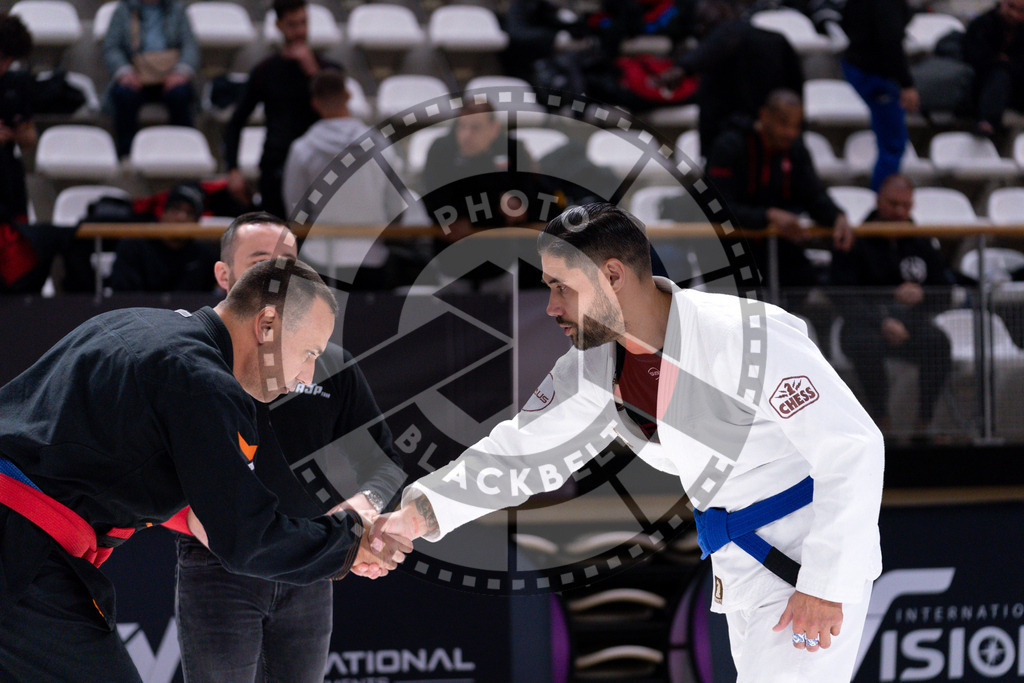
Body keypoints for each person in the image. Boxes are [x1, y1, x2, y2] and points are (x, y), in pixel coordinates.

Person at [371, 203, 884, 681]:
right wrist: (417, 515)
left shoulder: (744, 335)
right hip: (745, 566)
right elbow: (518, 456)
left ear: (612, 276)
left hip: (806, 557)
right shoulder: (594, 368)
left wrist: (825, 582)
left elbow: (852, 448)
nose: (550, 306)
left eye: (560, 287)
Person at [0, 256, 410, 680]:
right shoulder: (202, 381)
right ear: (267, 324)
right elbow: (247, 538)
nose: (303, 377)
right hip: (19, 550)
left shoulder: (135, 325)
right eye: (307, 353)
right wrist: (349, 541)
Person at [172, 212, 407, 682]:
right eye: (262, 261)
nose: (279, 275)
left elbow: (385, 464)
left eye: (289, 262)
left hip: (309, 566)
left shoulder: (330, 363)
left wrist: (359, 510)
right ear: (224, 275)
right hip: (218, 564)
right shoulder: (193, 355)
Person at [830, 174, 954, 434]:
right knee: (865, 343)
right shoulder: (856, 238)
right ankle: (880, 420)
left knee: (939, 343)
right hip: (863, 325)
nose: (899, 212)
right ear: (878, 200)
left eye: (905, 206)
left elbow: (946, 293)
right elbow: (841, 294)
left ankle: (924, 422)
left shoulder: (920, 242)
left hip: (910, 324)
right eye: (892, 204)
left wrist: (924, 294)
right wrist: (882, 321)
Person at [705, 89, 854, 288]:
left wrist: (837, 216)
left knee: (806, 278)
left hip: (775, 246)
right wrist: (768, 215)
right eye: (783, 123)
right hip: (727, 246)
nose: (790, 133)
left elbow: (813, 193)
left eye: (796, 126)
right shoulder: (729, 146)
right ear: (764, 115)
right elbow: (716, 207)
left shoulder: (796, 149)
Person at [282, 69, 403, 286]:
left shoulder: (303, 149)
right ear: (348, 96)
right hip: (371, 255)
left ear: (315, 103)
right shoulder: (380, 145)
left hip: (320, 257)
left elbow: (295, 210)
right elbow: (395, 204)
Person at [223, 0, 338, 218]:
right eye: (292, 24)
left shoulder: (328, 71)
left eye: (304, 23)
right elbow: (236, 122)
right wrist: (233, 170)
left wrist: (313, 72)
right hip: (276, 166)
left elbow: (337, 114)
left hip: (319, 167)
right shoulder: (265, 71)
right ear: (279, 26)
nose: (300, 31)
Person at [667, 1, 804, 155]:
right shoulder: (707, 56)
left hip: (771, 147)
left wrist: (683, 67)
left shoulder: (774, 42)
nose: (710, 12)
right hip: (730, 145)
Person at [102, 0, 199, 157]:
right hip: (136, 75)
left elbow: (190, 45)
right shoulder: (123, 10)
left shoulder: (178, 9)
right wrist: (124, 71)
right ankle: (127, 153)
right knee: (124, 95)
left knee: (180, 95)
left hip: (171, 76)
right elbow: (111, 47)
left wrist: (181, 72)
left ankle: (185, 151)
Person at [840, 0, 919, 191]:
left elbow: (846, 21)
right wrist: (906, 83)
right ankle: (884, 210)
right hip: (874, 74)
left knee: (891, 144)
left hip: (857, 65)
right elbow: (890, 39)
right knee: (892, 145)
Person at [107, 181, 218, 292]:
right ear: (163, 213)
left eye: (190, 213)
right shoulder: (133, 247)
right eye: (176, 209)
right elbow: (123, 298)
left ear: (196, 222)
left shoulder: (205, 256)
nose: (181, 217)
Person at [0, 13, 40, 293]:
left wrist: (21, 135)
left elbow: (30, 136)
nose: (4, 66)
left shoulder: (17, 83)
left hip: (8, 178)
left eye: (9, 59)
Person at [963, 0, 1024, 138]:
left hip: (1016, 86)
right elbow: (976, 59)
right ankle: (987, 122)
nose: (1014, 14)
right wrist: (1002, 63)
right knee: (999, 75)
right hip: (983, 86)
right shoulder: (982, 24)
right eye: (1011, 7)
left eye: (1021, 11)